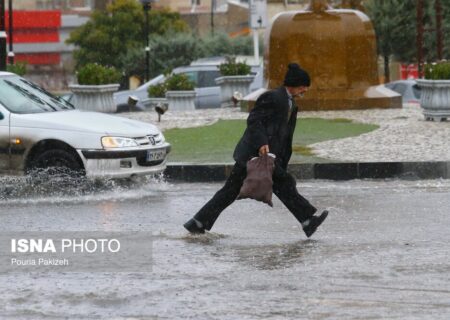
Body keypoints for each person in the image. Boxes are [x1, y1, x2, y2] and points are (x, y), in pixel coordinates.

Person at [184, 63, 328, 238]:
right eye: (304, 86)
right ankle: (307, 220)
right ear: (295, 83)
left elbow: (283, 134)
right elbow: (254, 120)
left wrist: (280, 159)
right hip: (253, 156)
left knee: (282, 186)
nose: (305, 90)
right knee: (235, 190)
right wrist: (261, 143)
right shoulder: (273, 97)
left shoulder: (291, 103)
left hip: (269, 158)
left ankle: (307, 221)